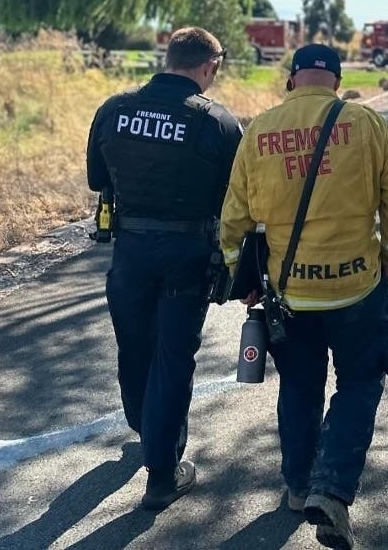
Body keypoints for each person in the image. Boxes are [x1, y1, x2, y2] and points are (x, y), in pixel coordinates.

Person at [220, 43, 388, 550]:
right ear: (337, 81)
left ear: (291, 81)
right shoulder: (366, 124)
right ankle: (332, 490)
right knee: (359, 383)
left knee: (299, 388)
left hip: (289, 296)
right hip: (357, 290)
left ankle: (298, 484)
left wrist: (237, 278)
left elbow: (234, 216)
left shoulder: (261, 131)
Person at [86, 27, 243, 511]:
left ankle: (144, 426)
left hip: (129, 248)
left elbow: (97, 179)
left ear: (167, 57)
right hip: (187, 254)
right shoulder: (217, 121)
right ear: (209, 66)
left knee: (134, 345)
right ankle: (161, 472)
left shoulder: (114, 109)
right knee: (174, 356)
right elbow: (236, 197)